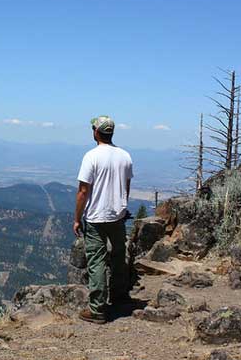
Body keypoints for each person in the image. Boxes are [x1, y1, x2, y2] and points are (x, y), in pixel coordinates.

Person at [73, 115, 133, 324]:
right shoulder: (125, 156)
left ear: (96, 132)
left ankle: (97, 308)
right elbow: (126, 187)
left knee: (96, 261)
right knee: (118, 256)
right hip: (118, 215)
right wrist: (123, 208)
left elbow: (83, 191)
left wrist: (77, 218)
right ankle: (119, 296)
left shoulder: (91, 156)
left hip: (96, 216)